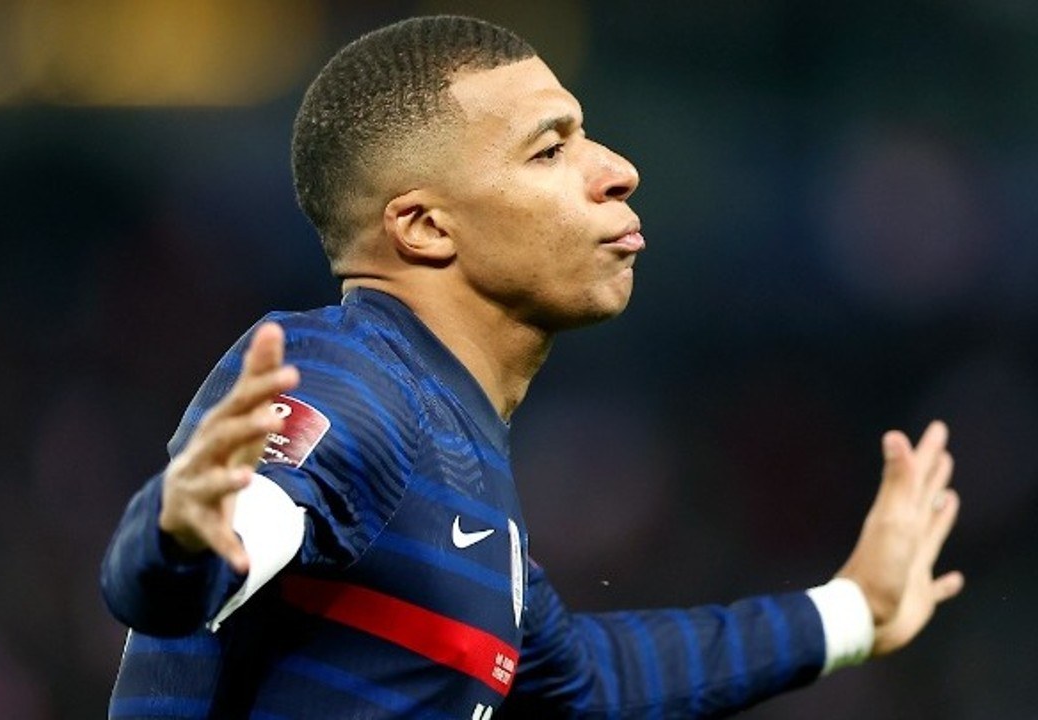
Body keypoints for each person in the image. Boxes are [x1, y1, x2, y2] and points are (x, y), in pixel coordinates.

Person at [100, 15, 963, 719]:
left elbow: (586, 679)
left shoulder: (452, 454)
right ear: (425, 227)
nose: (618, 170)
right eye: (549, 151)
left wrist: (856, 610)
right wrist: (186, 537)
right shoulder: (350, 378)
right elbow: (209, 554)